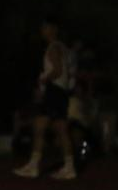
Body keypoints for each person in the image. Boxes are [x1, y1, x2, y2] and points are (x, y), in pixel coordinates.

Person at [13, 16, 77, 179]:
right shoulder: (63, 48)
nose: (42, 31)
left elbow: (57, 70)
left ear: (53, 29)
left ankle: (33, 166)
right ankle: (69, 167)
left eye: (45, 27)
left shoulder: (53, 47)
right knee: (61, 130)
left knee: (39, 127)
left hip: (54, 91)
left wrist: (43, 80)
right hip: (61, 92)